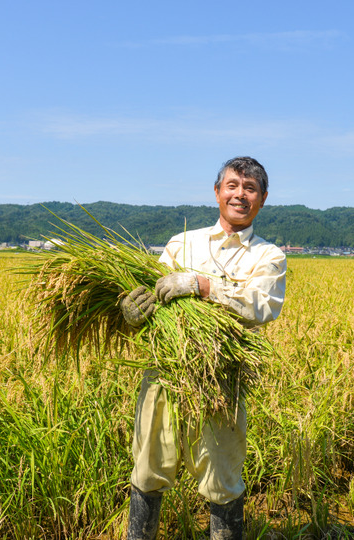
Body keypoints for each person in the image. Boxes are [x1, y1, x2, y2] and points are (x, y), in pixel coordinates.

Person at [119, 156, 286, 539]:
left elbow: (261, 306)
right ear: (217, 192)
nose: (239, 194)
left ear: (262, 198)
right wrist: (131, 311)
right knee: (147, 468)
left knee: (222, 476)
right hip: (166, 373)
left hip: (222, 380)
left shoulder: (268, 255)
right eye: (232, 186)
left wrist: (203, 286)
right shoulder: (182, 243)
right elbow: (150, 298)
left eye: (250, 188)